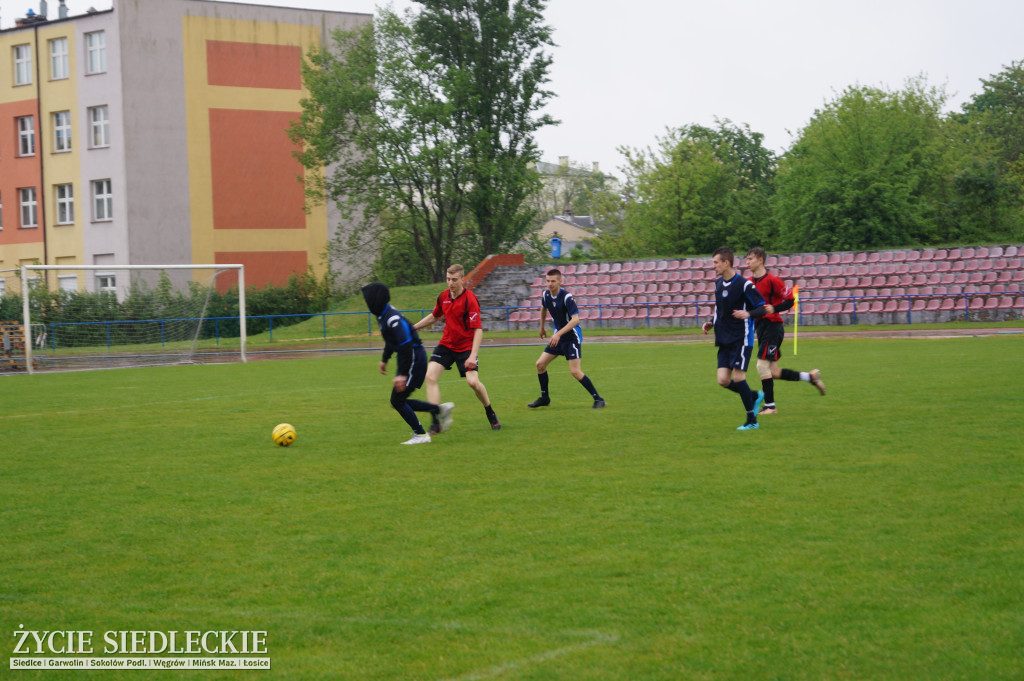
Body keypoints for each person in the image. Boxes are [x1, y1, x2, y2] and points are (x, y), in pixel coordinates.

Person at [362, 283, 453, 445]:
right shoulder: (383, 315)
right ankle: (438, 410)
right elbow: (391, 341)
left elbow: (405, 345)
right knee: (398, 400)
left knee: (397, 400)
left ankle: (421, 434)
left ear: (375, 300)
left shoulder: (392, 318)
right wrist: (385, 359)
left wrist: (401, 375)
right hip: (412, 357)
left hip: (413, 358)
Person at [413, 264, 501, 431]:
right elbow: (434, 316)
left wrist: (472, 356)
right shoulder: (444, 296)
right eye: (448, 279)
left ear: (462, 280)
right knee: (430, 377)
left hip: (466, 347)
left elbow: (478, 330)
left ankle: (490, 411)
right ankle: (435, 421)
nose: (450, 283)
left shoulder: (470, 299)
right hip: (447, 344)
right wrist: (414, 327)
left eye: (454, 279)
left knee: (473, 383)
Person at [743, 247, 826, 414]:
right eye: (747, 259)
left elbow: (790, 300)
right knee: (773, 371)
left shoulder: (773, 280)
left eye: (750, 259)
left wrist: (775, 308)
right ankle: (809, 377)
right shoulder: (749, 282)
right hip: (761, 328)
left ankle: (770, 406)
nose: (747, 262)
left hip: (773, 327)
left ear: (760, 260)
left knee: (761, 366)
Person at [701, 246, 768, 430]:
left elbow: (762, 307)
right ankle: (753, 396)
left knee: (739, 378)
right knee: (723, 380)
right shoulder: (718, 284)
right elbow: (719, 309)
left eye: (716, 262)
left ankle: (752, 421)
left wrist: (748, 313)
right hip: (723, 337)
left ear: (726, 262)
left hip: (741, 337)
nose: (713, 266)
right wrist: (710, 322)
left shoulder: (745, 285)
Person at [527, 268, 606, 409]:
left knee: (575, 371)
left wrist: (557, 334)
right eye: (547, 281)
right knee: (540, 365)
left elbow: (576, 320)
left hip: (571, 338)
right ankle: (545, 398)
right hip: (558, 337)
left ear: (560, 281)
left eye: (553, 281)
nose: (550, 284)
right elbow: (543, 309)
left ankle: (599, 399)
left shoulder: (567, 297)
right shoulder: (546, 295)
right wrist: (542, 327)